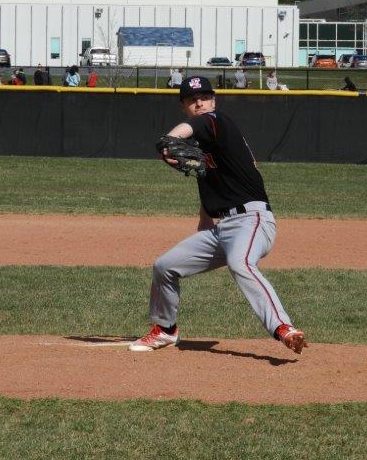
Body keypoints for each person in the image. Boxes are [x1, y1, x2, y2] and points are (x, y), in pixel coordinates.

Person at [129, 76, 307, 355]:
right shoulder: (203, 148)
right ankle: (165, 330)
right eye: (191, 99)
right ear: (183, 105)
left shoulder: (217, 122)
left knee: (240, 263)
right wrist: (204, 223)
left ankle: (285, 328)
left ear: (213, 101)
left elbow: (193, 126)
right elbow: (209, 185)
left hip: (252, 220)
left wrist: (171, 139)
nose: (199, 103)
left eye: (204, 97)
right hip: (222, 228)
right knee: (165, 265)